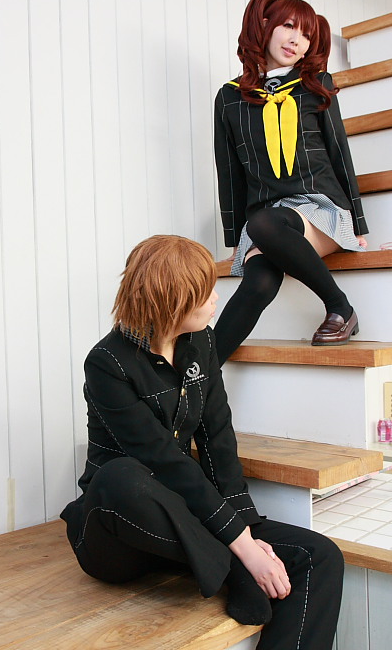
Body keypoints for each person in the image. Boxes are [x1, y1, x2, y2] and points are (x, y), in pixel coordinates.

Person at [60, 234, 343, 650]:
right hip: (122, 532)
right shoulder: (107, 362)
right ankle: (231, 566)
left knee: (320, 555)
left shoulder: (202, 342)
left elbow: (217, 438)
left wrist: (245, 526)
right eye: (204, 292)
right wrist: (244, 550)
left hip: (191, 526)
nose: (215, 298)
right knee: (121, 477)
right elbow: (162, 461)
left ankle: (227, 559)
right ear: (172, 301)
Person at [213, 0, 368, 366]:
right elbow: (230, 172)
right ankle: (196, 380)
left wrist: (359, 224)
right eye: (288, 26)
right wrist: (234, 240)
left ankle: (339, 306)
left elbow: (339, 154)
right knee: (259, 281)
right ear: (265, 26)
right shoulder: (229, 98)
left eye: (306, 34)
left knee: (264, 223)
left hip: (320, 208)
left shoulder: (316, 84)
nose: (296, 39)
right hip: (270, 216)